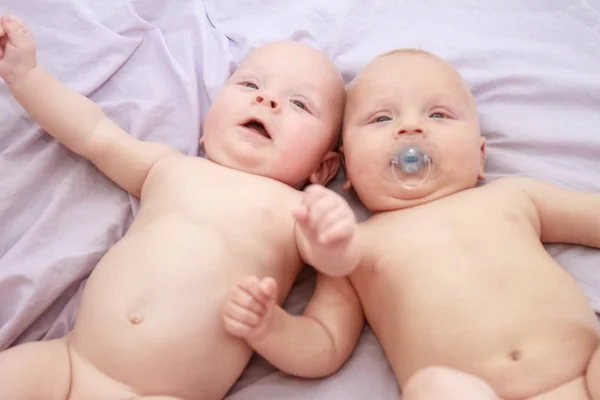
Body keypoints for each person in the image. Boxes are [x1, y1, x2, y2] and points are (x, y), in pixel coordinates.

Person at [0, 14, 363, 400]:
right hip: (67, 363)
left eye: (299, 104)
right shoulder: (170, 167)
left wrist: (274, 326)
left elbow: (327, 345)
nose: (267, 99)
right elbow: (93, 132)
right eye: (250, 84)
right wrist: (26, 76)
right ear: (207, 127)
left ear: (324, 168)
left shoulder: (303, 215)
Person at [236, 48, 600, 399]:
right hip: (469, 391)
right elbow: (325, 344)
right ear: (347, 168)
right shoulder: (351, 247)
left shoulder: (514, 196)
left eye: (439, 115)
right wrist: (271, 328)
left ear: (480, 154)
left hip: (587, 376)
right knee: (434, 387)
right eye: (381, 119)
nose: (410, 127)